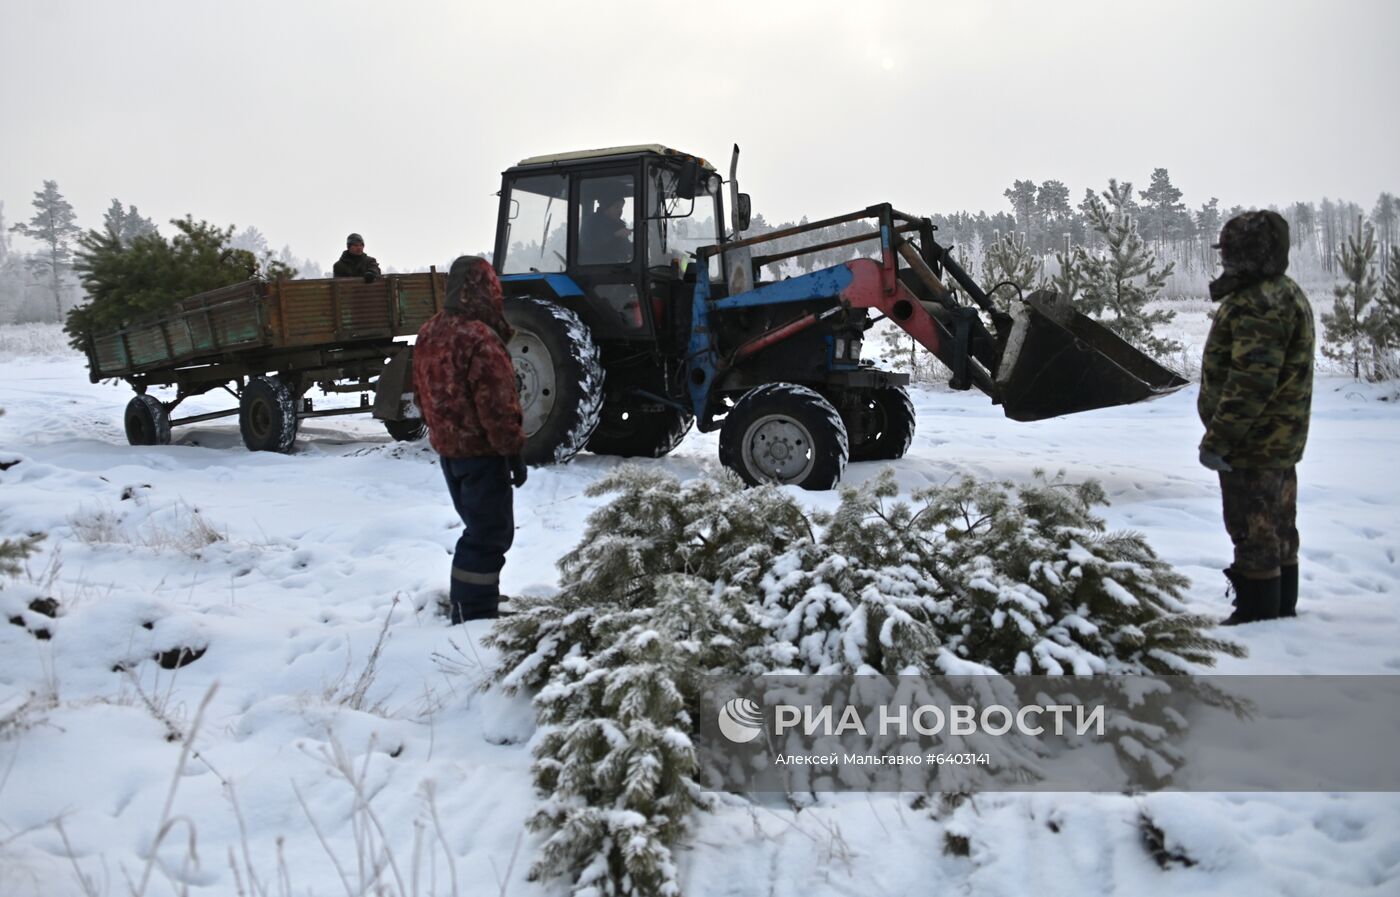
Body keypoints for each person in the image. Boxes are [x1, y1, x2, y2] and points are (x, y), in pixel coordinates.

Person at [1198, 210, 1314, 626]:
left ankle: (1258, 616)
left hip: (1253, 443)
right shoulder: (1284, 292)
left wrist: (1218, 440)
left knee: (1254, 528)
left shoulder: (1258, 304)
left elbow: (1250, 384)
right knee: (1280, 526)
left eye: (1230, 251)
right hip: (1278, 440)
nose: (1224, 258)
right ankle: (1281, 606)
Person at [413, 256, 528, 623]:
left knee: (478, 528)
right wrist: (512, 451)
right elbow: (497, 403)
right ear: (485, 289)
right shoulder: (479, 337)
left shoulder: (430, 331)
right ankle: (473, 613)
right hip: (482, 453)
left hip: (449, 453)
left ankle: (477, 595)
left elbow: (420, 393)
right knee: (488, 535)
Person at [578, 188, 632, 263]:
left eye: (621, 207)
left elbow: (626, 248)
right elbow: (589, 247)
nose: (620, 211)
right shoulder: (591, 223)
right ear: (606, 207)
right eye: (617, 207)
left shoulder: (617, 225)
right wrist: (615, 235)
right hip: (597, 270)